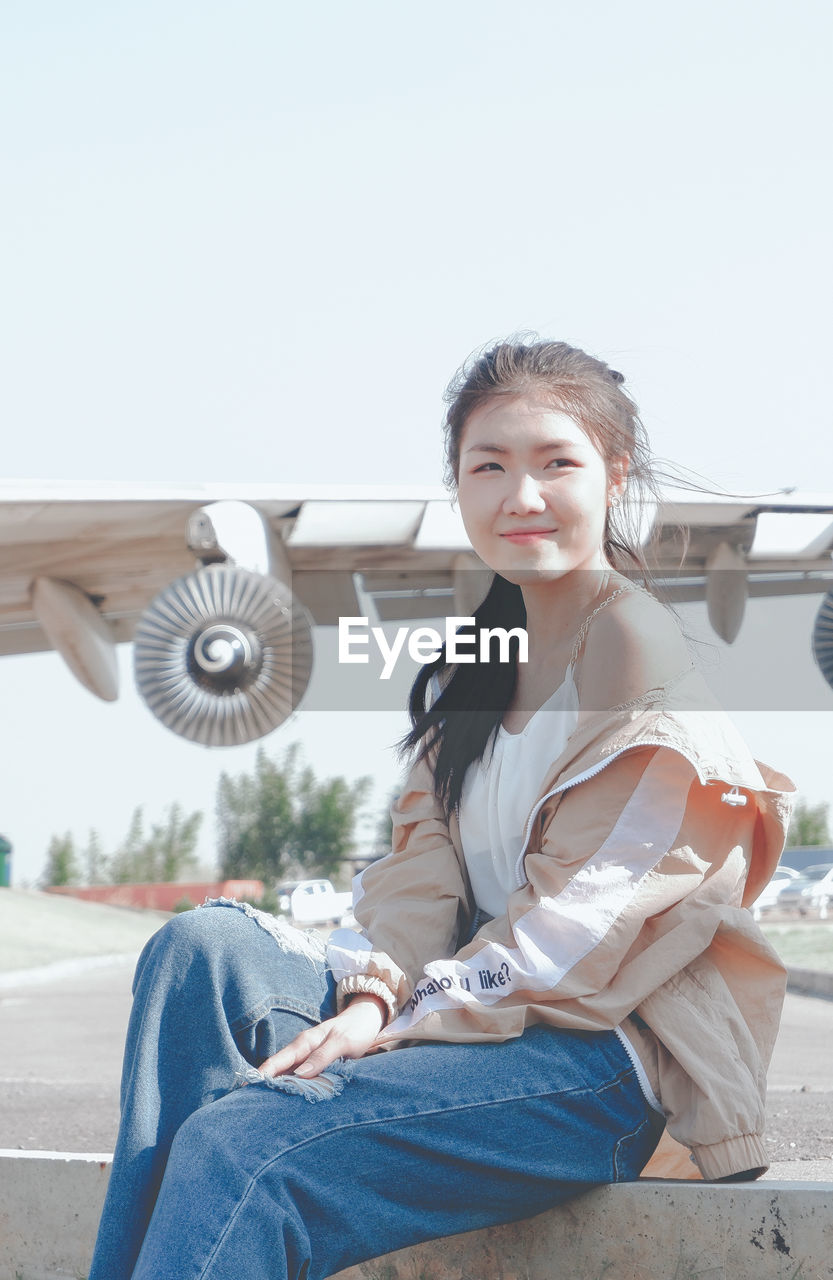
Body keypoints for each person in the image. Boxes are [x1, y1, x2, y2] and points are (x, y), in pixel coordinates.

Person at [90, 339, 794, 1280]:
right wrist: (376, 992)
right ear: (457, 484)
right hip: (463, 1024)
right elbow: (419, 874)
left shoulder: (640, 661)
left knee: (245, 1147)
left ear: (614, 475)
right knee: (201, 954)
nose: (522, 496)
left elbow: (568, 949)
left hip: (594, 1064)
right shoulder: (475, 661)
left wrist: (387, 1021)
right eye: (488, 466)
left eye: (556, 463)